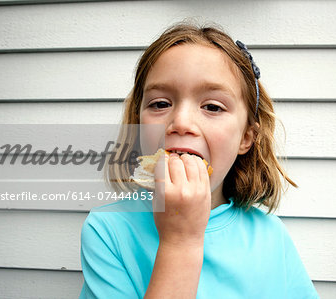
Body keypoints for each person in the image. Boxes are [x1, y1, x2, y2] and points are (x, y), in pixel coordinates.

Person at [79, 22, 319, 298]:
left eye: (212, 107)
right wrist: (180, 242)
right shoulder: (107, 230)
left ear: (246, 137)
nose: (180, 122)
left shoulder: (271, 237)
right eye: (160, 104)